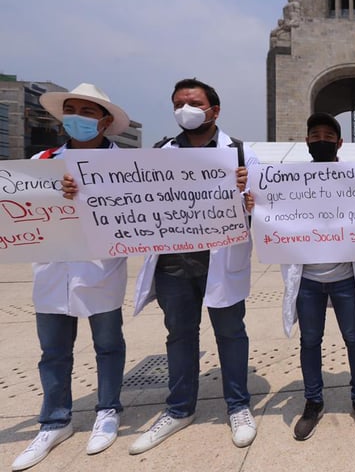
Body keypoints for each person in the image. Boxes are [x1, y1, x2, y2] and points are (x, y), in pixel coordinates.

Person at [129, 78, 258, 454]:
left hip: (220, 261)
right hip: (173, 266)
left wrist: (249, 195)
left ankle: (237, 405)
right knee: (180, 336)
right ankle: (179, 408)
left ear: (214, 111)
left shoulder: (240, 154)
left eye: (194, 103)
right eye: (178, 103)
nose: (185, 109)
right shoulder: (159, 152)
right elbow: (137, 200)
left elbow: (265, 204)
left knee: (231, 334)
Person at [12, 83, 131, 471]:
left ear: (105, 121)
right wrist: (53, 191)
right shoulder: (43, 160)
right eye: (71, 109)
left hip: (100, 270)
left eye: (88, 110)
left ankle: (108, 410)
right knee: (53, 352)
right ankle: (54, 420)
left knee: (109, 346)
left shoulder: (126, 166)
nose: (77, 117)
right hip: (53, 272)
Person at [282, 113, 355, 440]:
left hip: (346, 278)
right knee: (310, 341)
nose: (321, 140)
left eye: (328, 136)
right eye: (315, 134)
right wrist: (254, 204)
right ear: (306, 141)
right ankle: (313, 401)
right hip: (308, 281)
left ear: (340, 142)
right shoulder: (290, 181)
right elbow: (270, 211)